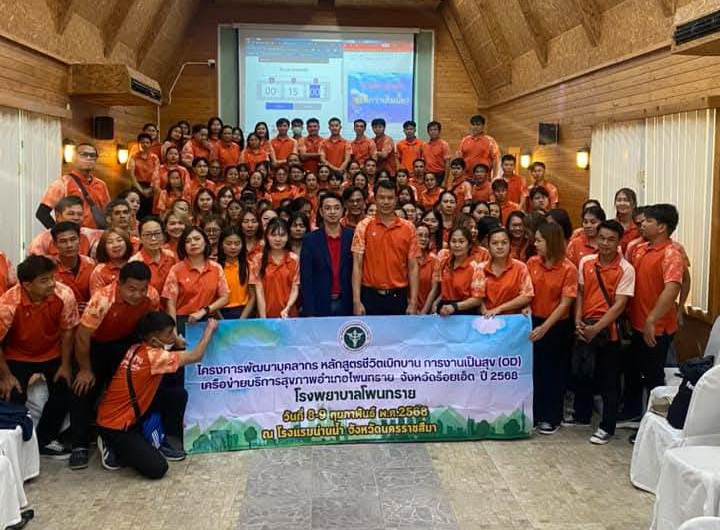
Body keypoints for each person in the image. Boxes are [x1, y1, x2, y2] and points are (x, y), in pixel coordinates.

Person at [96, 313, 218, 479]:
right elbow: (195, 356)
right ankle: (110, 444)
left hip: (129, 411)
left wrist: (175, 340)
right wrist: (209, 330)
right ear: (154, 340)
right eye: (169, 334)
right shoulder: (154, 357)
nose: (173, 336)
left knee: (177, 395)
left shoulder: (136, 348)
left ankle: (167, 439)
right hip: (116, 426)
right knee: (157, 468)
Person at [69, 262, 160, 469]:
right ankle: (79, 445)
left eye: (142, 289)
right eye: (132, 289)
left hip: (125, 342)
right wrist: (85, 369)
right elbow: (82, 336)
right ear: (119, 284)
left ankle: (119, 436)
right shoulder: (102, 299)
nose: (138, 295)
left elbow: (151, 324)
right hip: (95, 345)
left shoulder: (151, 296)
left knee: (124, 391)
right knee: (83, 389)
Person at [0, 255, 78, 459]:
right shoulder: (8, 302)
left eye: (52, 277)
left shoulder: (64, 294)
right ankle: (16, 446)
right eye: (44, 280)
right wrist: (6, 376)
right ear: (27, 285)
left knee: (66, 388)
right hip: (17, 355)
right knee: (11, 394)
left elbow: (68, 331)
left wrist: (65, 365)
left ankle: (44, 440)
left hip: (52, 352)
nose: (52, 283)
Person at [569, 220, 635, 445]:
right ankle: (582, 416)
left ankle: (607, 427)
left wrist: (596, 328)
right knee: (583, 373)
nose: (605, 243)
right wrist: (578, 320)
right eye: (602, 238)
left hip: (609, 332)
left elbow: (620, 305)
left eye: (611, 240)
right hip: (584, 326)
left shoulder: (626, 269)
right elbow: (580, 292)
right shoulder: (586, 261)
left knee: (609, 381)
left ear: (619, 242)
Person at [623, 204, 685, 422]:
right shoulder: (640, 249)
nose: (643, 224)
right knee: (633, 371)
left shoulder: (671, 253)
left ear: (662, 227)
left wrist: (652, 318)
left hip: (657, 328)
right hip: (637, 324)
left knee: (653, 376)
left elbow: (673, 288)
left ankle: (655, 423)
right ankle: (633, 415)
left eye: (649, 221)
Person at [527, 223, 578, 435]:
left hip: (556, 326)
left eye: (539, 240)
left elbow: (565, 304)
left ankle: (552, 416)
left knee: (554, 373)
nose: (535, 244)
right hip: (533, 320)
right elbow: (526, 292)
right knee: (535, 371)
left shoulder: (568, 269)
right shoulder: (532, 263)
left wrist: (545, 327)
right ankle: (534, 412)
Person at [352, 180, 420, 316]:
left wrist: (413, 302)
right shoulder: (363, 226)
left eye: (390, 198)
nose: (386, 202)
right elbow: (357, 265)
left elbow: (413, 267)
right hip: (370, 295)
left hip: (398, 295)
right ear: (375, 199)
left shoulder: (409, 227)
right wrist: (356, 301)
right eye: (382, 198)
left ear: (396, 199)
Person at [162, 226, 229, 335]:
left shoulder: (216, 268)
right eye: (188, 241)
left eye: (197, 239)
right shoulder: (176, 270)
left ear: (205, 242)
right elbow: (170, 305)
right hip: (183, 322)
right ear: (183, 247)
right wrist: (174, 334)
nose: (193, 243)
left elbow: (225, 298)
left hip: (208, 320)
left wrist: (204, 311)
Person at [300, 193, 354, 317]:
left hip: (346, 303)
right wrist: (310, 311)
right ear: (321, 212)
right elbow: (306, 279)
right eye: (328, 208)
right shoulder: (310, 240)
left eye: (336, 208)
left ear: (343, 211)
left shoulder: (352, 236)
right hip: (320, 303)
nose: (332, 212)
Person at [38, 143, 110, 230]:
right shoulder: (62, 183)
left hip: (98, 235)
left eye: (92, 155)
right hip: (74, 236)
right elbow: (42, 213)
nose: (89, 158)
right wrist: (59, 232)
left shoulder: (101, 185)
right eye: (84, 154)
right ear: (73, 158)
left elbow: (108, 213)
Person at [479, 227, 534, 316]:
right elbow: (476, 296)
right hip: (486, 318)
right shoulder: (480, 268)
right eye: (495, 243)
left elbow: (527, 295)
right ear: (488, 246)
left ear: (510, 245)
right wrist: (484, 311)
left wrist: (500, 309)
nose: (500, 247)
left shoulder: (520, 267)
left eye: (504, 243)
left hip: (512, 318)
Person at [251, 218, 299, 318]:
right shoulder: (258, 259)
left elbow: (295, 288)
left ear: (288, 237)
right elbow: (259, 291)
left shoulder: (294, 259)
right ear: (267, 236)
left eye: (282, 235)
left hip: (288, 315)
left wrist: (287, 308)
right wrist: (263, 318)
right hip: (265, 314)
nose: (278, 239)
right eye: (273, 235)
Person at [431, 226, 484, 316]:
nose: (457, 245)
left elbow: (477, 299)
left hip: (465, 313)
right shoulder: (444, 263)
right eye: (453, 241)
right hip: (444, 310)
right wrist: (436, 303)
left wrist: (454, 306)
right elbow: (444, 289)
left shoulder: (476, 268)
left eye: (461, 241)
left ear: (469, 245)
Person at [29, 197, 97, 258]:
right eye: (71, 214)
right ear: (58, 216)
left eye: (80, 214)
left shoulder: (89, 235)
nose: (76, 218)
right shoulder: (42, 241)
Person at [51, 222, 95, 312]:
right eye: (63, 241)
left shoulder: (91, 264)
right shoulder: (49, 268)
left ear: (80, 240)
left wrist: (92, 305)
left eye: (73, 239)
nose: (69, 245)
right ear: (55, 244)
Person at [129, 216, 177, 294]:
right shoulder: (135, 262)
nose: (153, 239)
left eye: (157, 233)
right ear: (140, 238)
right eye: (148, 235)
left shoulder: (171, 255)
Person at [217, 226, 254, 319]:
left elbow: (252, 297)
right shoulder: (215, 267)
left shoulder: (249, 266)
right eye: (228, 243)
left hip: (244, 312)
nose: (233, 247)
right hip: (220, 312)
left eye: (237, 243)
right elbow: (211, 297)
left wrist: (241, 320)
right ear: (221, 244)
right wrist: (221, 319)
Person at [90, 228, 133, 294]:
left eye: (119, 240)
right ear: (104, 247)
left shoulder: (135, 263)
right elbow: (96, 298)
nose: (116, 245)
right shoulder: (99, 271)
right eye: (110, 242)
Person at [127, 133, 159, 218]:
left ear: (151, 144)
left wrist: (150, 188)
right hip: (137, 186)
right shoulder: (133, 157)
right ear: (139, 144)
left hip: (151, 187)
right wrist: (141, 190)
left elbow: (156, 175)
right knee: (137, 211)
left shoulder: (155, 158)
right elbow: (132, 176)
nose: (145, 144)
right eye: (142, 142)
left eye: (147, 142)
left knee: (150, 212)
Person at [614, 188, 639, 252]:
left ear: (634, 204)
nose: (622, 203)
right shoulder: (610, 225)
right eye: (619, 200)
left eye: (626, 200)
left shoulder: (640, 226)